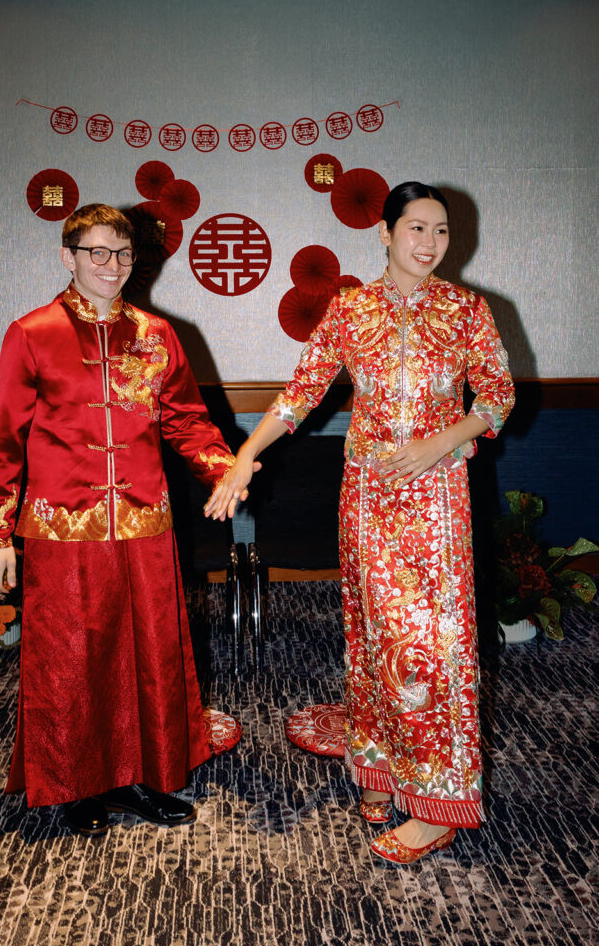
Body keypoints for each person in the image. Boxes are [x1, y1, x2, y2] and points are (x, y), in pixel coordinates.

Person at [206, 182, 515, 863]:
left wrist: (441, 441)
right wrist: (244, 457)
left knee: (432, 645)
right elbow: (301, 394)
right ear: (385, 232)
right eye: (416, 228)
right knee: (373, 636)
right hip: (369, 500)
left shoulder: (466, 309)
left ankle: (436, 804)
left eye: (440, 231)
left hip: (435, 501)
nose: (429, 243)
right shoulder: (351, 309)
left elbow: (497, 396)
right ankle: (381, 767)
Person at [0, 204, 254, 837]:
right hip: (61, 527)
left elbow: (185, 419)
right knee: (70, 658)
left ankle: (137, 779)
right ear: (68, 257)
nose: (112, 265)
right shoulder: (31, 333)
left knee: (144, 655)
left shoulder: (157, 333)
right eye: (97, 252)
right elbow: (5, 440)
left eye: (123, 254)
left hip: (143, 521)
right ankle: (76, 787)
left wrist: (224, 469)